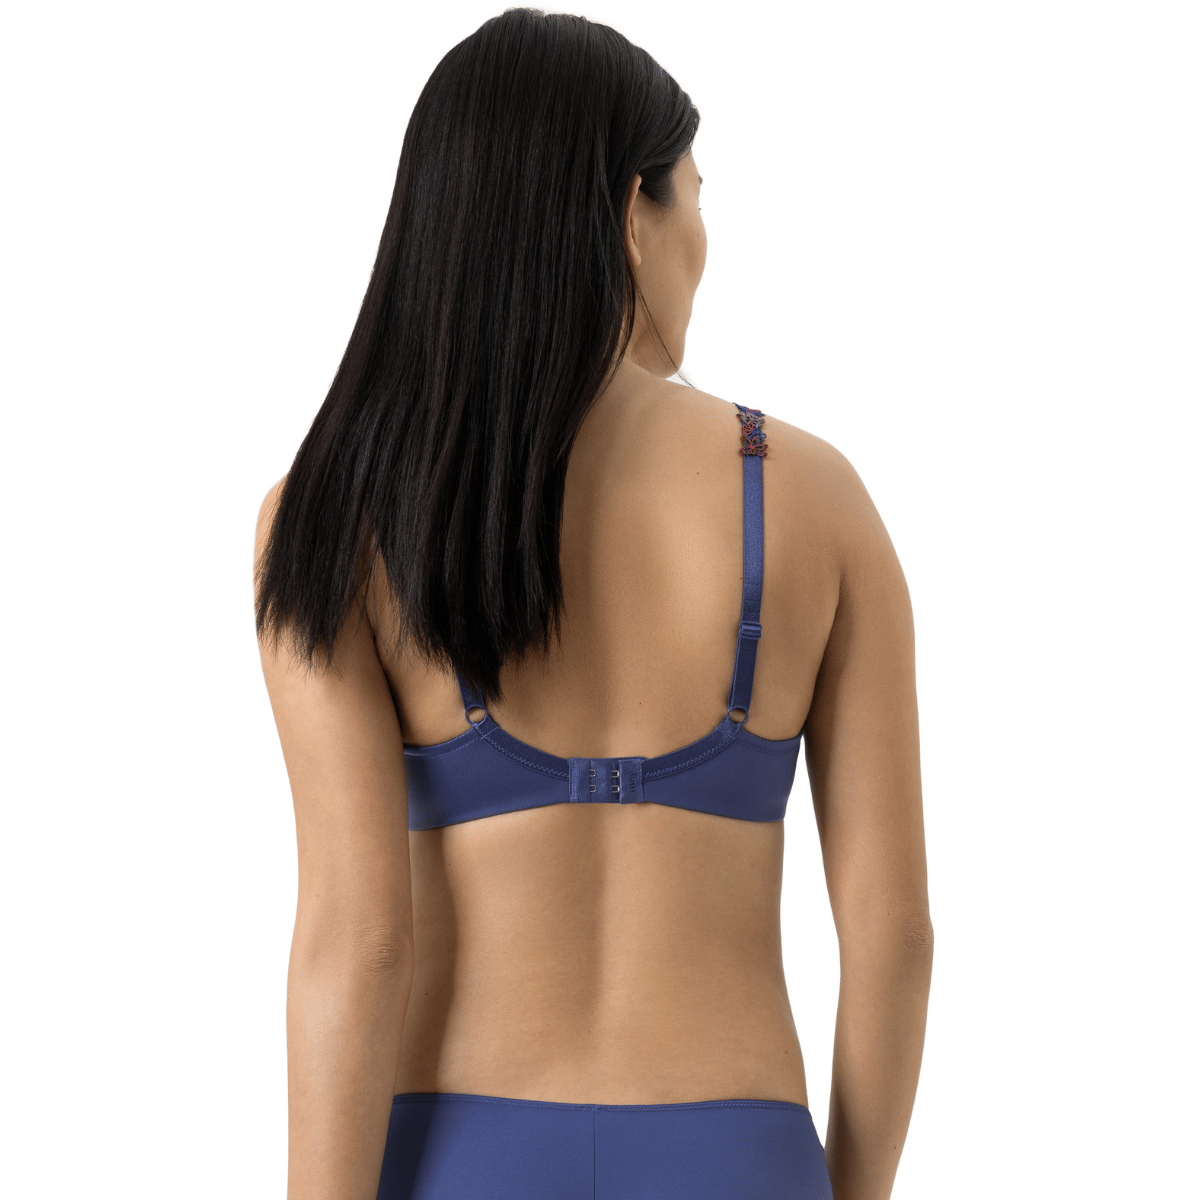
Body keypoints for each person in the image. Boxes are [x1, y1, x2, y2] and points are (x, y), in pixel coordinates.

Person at [255, 10, 932, 1199]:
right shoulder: (815, 498)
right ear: (633, 213)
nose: (704, 241)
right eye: (697, 197)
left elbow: (357, 945)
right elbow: (892, 935)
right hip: (739, 1159)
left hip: (460, 1158)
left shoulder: (338, 514)